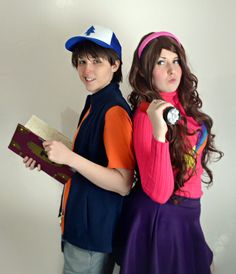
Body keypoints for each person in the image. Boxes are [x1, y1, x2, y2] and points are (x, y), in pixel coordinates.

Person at [23, 25, 135, 274]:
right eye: (82, 61)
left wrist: (69, 157)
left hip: (92, 235)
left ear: (115, 64)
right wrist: (48, 159)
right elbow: (90, 161)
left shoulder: (114, 111)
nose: (87, 70)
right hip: (81, 226)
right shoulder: (96, 100)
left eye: (96, 61)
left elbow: (123, 183)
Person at [117, 31, 223, 274]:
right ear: (145, 71)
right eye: (161, 62)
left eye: (175, 61)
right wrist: (158, 132)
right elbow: (160, 193)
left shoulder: (183, 105)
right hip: (162, 220)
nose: (172, 70)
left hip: (188, 215)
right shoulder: (147, 116)